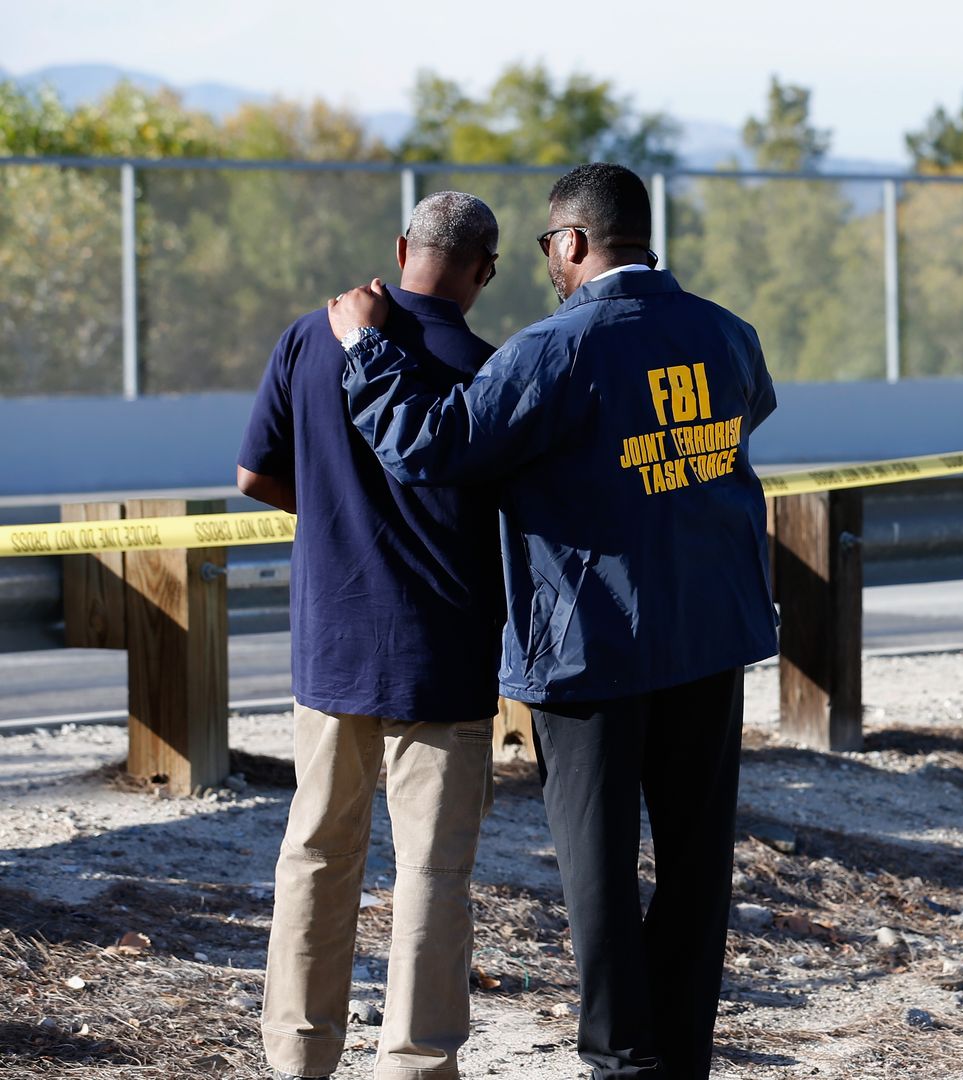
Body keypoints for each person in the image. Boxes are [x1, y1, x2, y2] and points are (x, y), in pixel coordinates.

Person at [327, 162, 779, 1079]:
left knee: (599, 876)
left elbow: (433, 444)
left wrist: (364, 351)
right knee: (697, 868)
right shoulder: (728, 335)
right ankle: (679, 1057)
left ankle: (620, 1061)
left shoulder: (558, 347)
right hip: (709, 639)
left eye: (547, 248)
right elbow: (742, 417)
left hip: (594, 655)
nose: (548, 267)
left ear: (572, 242)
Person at [240, 191, 505, 1080]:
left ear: (401, 249)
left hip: (331, 649)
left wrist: (333, 516)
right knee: (431, 873)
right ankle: (416, 1063)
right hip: (447, 654)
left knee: (315, 854)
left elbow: (254, 475)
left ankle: (297, 1055)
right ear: (486, 270)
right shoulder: (487, 370)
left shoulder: (307, 338)